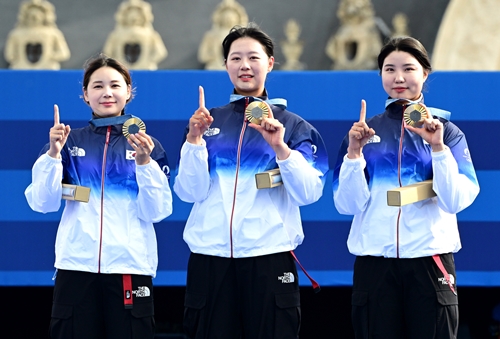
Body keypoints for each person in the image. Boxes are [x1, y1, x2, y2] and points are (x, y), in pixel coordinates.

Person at [174, 23, 329, 339]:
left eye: (253, 58)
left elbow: (310, 192)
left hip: (268, 258)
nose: (244, 66)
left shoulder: (294, 126)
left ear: (270, 63)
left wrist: (281, 149)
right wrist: (193, 140)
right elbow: (190, 191)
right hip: (210, 259)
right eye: (235, 58)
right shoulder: (207, 122)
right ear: (226, 65)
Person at [332, 36, 480, 338]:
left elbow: (455, 200)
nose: (398, 78)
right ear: (380, 76)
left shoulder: (448, 132)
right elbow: (346, 205)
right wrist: (354, 154)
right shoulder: (363, 132)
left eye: (408, 69)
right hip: (375, 265)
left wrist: (437, 148)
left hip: (429, 261)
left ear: (425, 73)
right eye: (389, 69)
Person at [25, 54, 173, 339]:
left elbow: (157, 211)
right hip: (76, 266)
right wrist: (53, 154)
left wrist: (144, 163)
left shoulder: (148, 146)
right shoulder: (68, 143)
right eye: (97, 86)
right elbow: (42, 203)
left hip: (130, 266)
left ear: (128, 91)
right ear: (85, 95)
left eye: (115, 85)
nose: (107, 92)